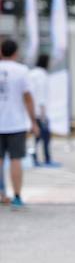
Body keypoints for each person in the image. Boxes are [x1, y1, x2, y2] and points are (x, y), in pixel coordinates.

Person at [0, 39, 39, 208]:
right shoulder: (22, 71)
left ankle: (1, 194)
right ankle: (16, 196)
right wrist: (33, 121)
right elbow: (28, 98)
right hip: (16, 123)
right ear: (15, 53)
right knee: (16, 160)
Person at [29, 54, 55, 167]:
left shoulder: (32, 73)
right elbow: (41, 96)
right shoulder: (42, 75)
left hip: (31, 110)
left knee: (36, 137)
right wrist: (43, 113)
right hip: (40, 112)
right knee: (45, 136)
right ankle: (46, 158)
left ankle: (34, 156)